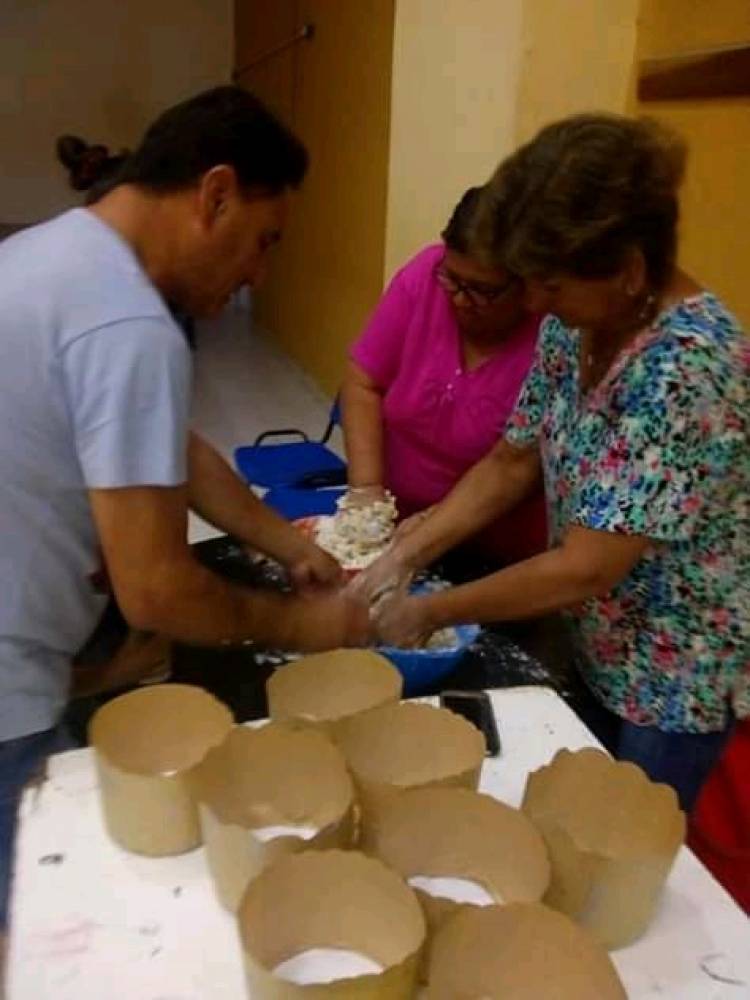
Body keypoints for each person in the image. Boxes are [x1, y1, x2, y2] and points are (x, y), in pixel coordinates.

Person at [0, 86, 369, 929]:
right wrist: (299, 626)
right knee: (39, 923)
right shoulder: (129, 325)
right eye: (263, 241)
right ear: (215, 194)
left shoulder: (54, 251)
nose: (259, 272)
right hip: (6, 682)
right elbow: (158, 591)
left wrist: (284, 540)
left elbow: (167, 441)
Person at [358, 114, 749, 814]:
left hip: (672, 677)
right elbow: (511, 461)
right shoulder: (579, 325)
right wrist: (402, 554)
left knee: (620, 843)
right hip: (595, 634)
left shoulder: (688, 366)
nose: (533, 302)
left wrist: (429, 611)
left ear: (629, 270)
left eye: (550, 285)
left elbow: (586, 566)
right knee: (567, 807)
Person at [342, 188, 546, 565]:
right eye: (452, 279)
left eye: (483, 291)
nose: (459, 299)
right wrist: (368, 493)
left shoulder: (553, 336)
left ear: (529, 288)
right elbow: (363, 381)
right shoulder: (424, 277)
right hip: (396, 527)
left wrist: (437, 525)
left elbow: (519, 466)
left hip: (496, 549)